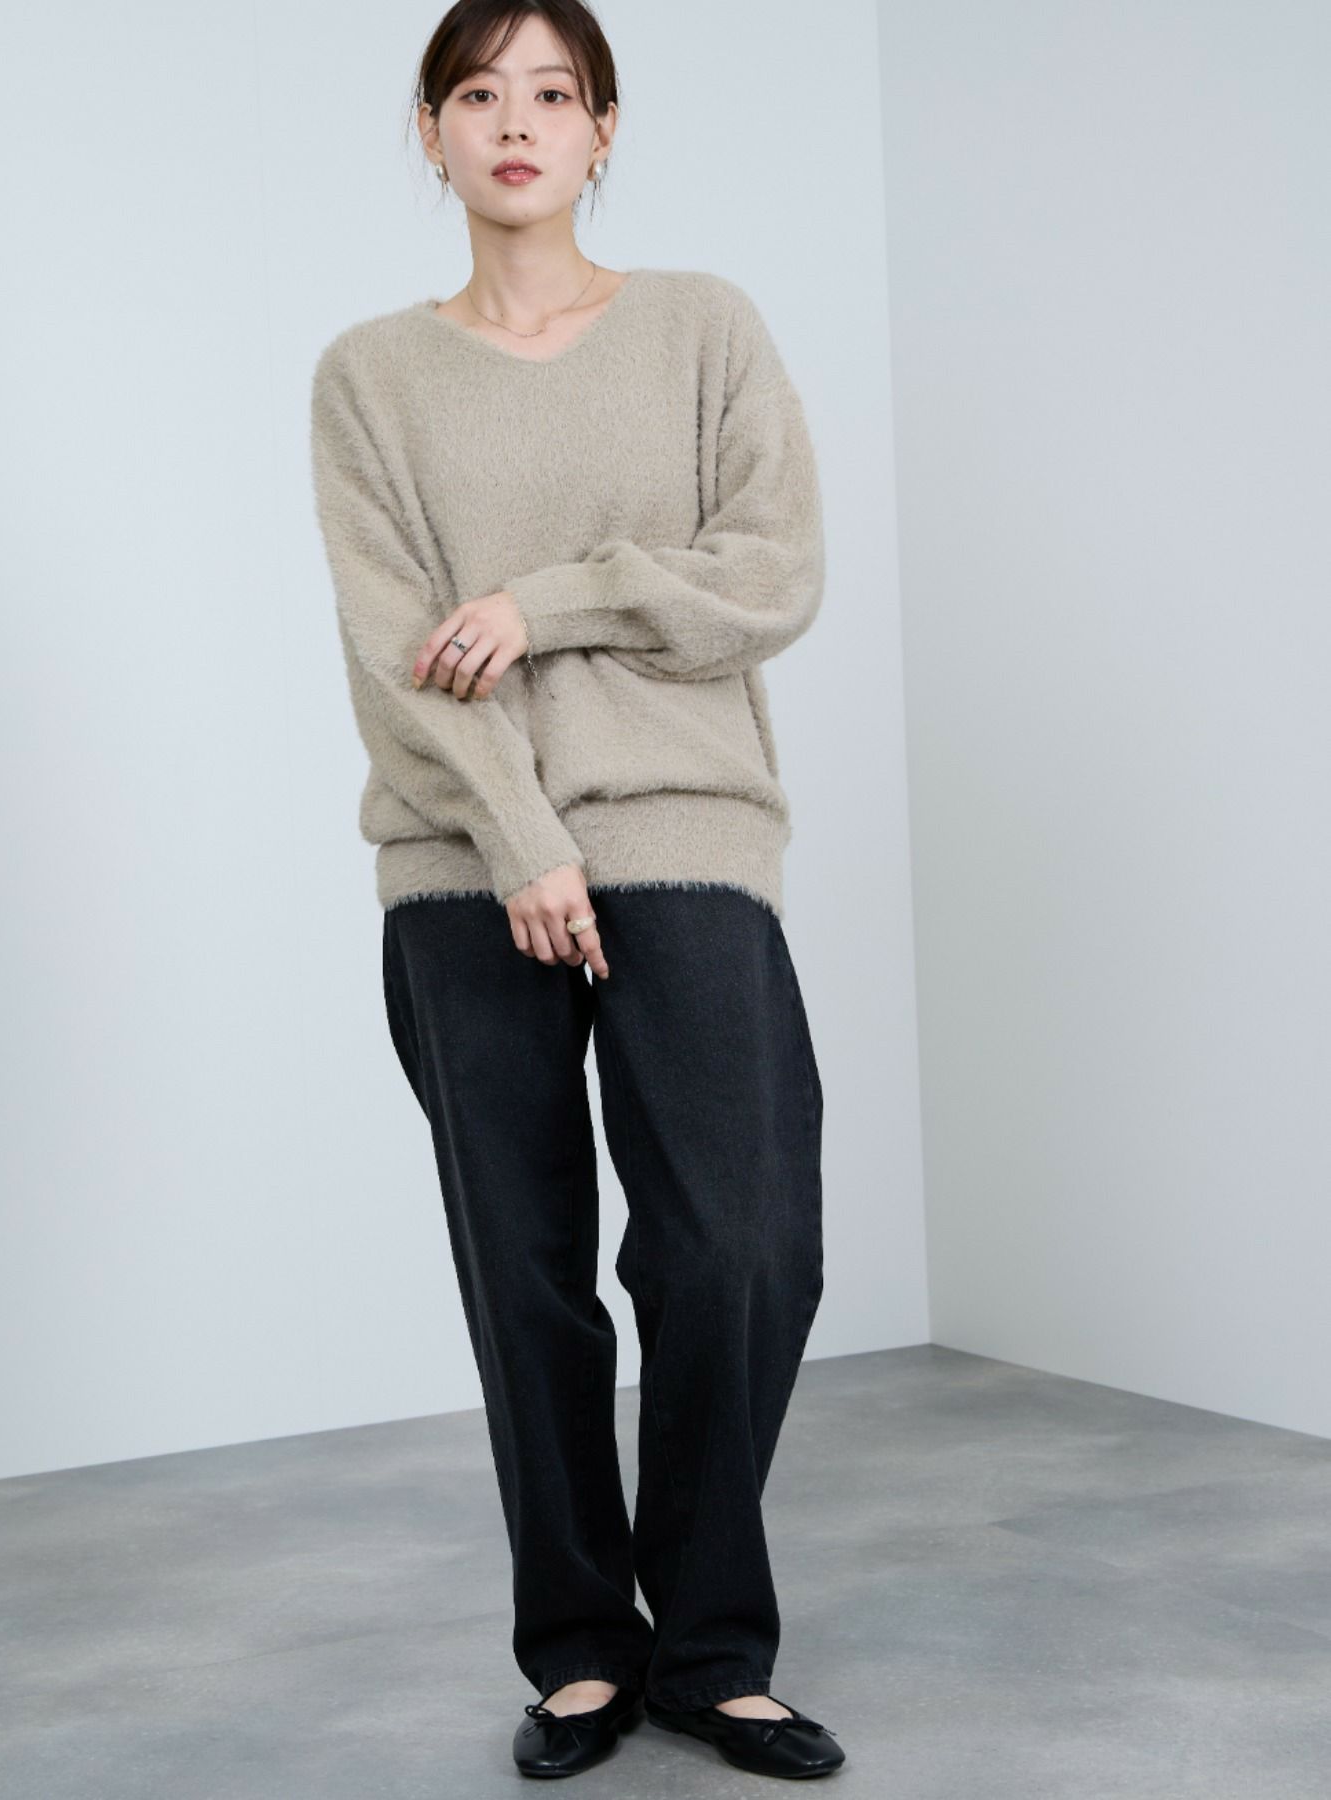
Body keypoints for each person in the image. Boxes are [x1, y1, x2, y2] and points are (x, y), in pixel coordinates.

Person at [309, 0, 846, 1781]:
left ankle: (709, 1643)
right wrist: (520, 839)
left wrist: (542, 603)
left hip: (685, 827)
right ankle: (583, 1653)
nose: (516, 121)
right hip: (462, 865)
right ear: (432, 132)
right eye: (478, 93)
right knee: (524, 1271)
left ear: (605, 128)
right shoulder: (371, 375)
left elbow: (770, 573)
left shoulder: (702, 329)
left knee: (744, 1247)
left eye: (553, 92)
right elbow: (394, 649)